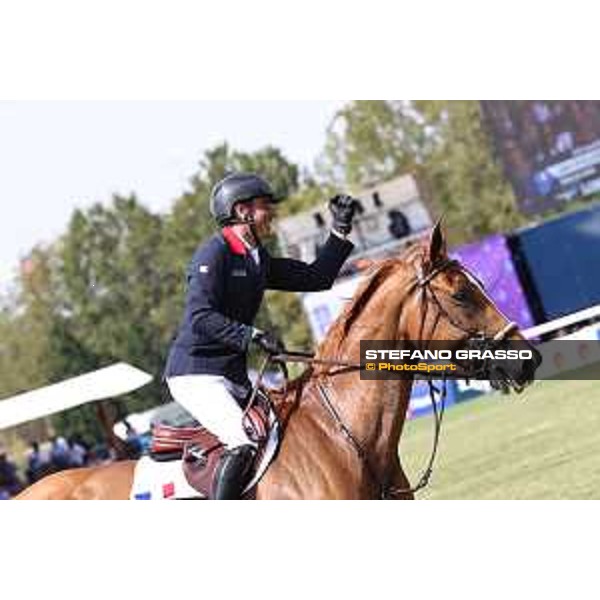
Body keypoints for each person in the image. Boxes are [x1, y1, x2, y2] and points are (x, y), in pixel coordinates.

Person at [164, 172, 358, 499]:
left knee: (283, 431)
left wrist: (338, 230)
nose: (272, 214)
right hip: (195, 374)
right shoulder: (215, 254)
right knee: (244, 440)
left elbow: (315, 277)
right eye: (265, 206)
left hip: (231, 374)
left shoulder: (256, 259)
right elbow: (200, 317)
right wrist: (251, 335)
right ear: (243, 212)